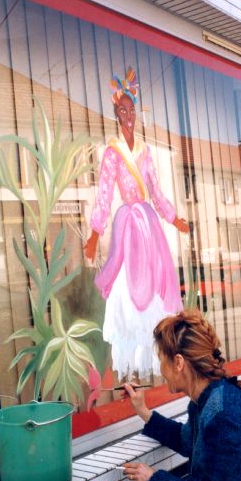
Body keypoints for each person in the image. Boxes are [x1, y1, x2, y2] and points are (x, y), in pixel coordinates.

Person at [84, 67, 188, 380]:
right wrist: (94, 233)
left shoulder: (145, 152)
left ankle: (154, 358)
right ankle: (129, 369)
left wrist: (173, 217)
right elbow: (103, 194)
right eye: (122, 111)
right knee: (126, 284)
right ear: (116, 114)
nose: (128, 116)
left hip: (150, 225)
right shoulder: (112, 154)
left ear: (136, 113)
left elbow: (155, 191)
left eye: (131, 110)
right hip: (128, 224)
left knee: (156, 281)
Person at [121, 310, 241, 481]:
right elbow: (188, 441)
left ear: (178, 362)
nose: (161, 370)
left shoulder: (226, 412)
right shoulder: (207, 398)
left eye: (162, 360)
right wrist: (143, 411)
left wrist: (153, 479)